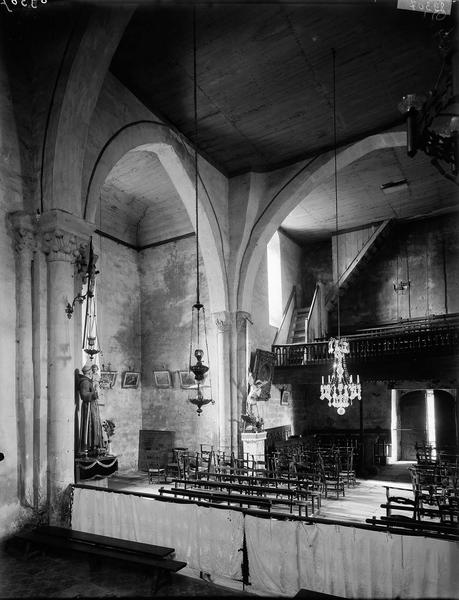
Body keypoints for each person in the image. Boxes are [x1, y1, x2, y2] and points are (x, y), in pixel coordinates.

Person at [76, 360, 104, 455]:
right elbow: (84, 395)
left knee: (94, 423)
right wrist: (94, 394)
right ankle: (89, 445)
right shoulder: (84, 382)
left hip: (92, 405)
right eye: (91, 371)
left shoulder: (88, 381)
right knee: (90, 424)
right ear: (89, 372)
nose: (93, 372)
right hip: (88, 406)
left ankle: (94, 445)